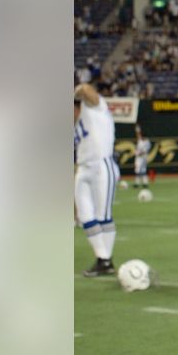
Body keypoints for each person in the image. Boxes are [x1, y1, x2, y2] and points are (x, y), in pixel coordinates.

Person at [75, 83, 118, 277]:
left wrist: (74, 92)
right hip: (83, 168)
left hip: (102, 165)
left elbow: (86, 89)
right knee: (85, 216)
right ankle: (103, 258)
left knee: (103, 215)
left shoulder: (93, 107)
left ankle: (105, 260)